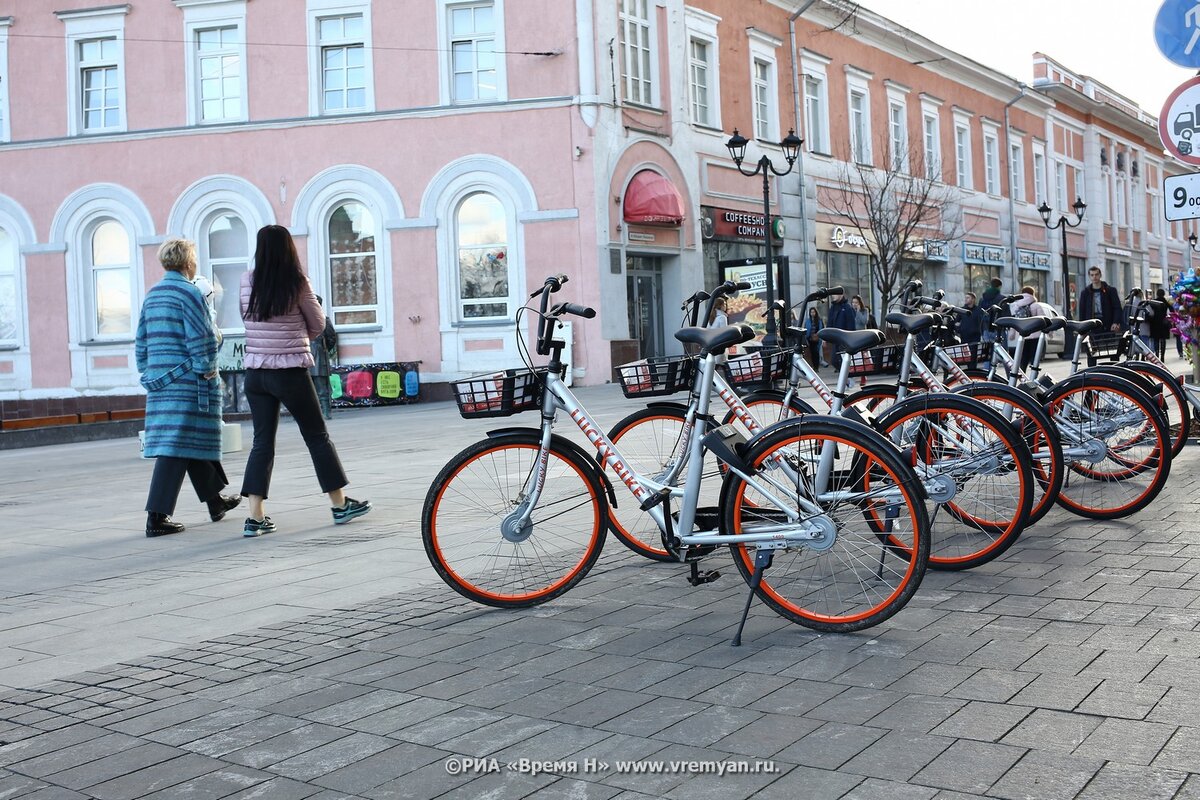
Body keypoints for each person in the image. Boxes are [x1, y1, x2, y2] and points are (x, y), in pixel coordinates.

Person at [239, 224, 372, 537]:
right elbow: (318, 324)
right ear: (288, 249)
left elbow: (244, 318)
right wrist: (297, 337)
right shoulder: (297, 282)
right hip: (289, 372)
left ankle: (255, 517)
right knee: (316, 437)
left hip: (256, 372)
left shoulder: (247, 280)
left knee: (262, 441)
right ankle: (340, 506)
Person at [136, 238, 241, 538]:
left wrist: (147, 370)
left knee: (186, 438)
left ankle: (215, 502)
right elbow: (204, 338)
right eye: (194, 257)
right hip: (187, 382)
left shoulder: (153, 294)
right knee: (174, 445)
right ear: (188, 262)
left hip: (161, 381)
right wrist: (207, 368)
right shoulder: (189, 293)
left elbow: (141, 339)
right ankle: (156, 516)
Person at [1077, 265, 1122, 366]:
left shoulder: (1110, 290)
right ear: (1089, 276)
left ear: (1100, 275)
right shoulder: (1085, 292)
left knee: (1113, 351)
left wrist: (1116, 322)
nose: (1094, 277)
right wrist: (1082, 328)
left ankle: (1115, 371)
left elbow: (1117, 307)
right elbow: (1082, 311)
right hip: (1092, 326)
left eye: (1096, 274)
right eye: (1092, 275)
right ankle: (1092, 374)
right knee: (1091, 353)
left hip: (1108, 325)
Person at [1008, 286, 1056, 370]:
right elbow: (1044, 320)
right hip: (1036, 336)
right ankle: (1033, 377)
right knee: (1035, 358)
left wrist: (1011, 335)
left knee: (1023, 359)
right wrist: (1050, 332)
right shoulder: (1036, 305)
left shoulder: (1017, 306)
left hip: (1023, 336)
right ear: (1032, 294)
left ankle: (1022, 377)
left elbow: (1014, 321)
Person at [309, 296, 338, 421]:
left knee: (322, 389)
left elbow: (332, 339)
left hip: (319, 358)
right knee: (306, 390)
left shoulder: (325, 321)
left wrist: (322, 349)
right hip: (305, 359)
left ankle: (326, 412)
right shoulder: (302, 321)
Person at [825, 289, 857, 369]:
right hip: (836, 339)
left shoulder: (847, 307)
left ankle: (848, 378)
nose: (833, 296)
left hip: (845, 339)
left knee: (843, 360)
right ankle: (846, 378)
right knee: (834, 361)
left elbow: (851, 325)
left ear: (841, 294)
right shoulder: (832, 308)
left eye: (835, 294)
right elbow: (829, 323)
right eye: (832, 294)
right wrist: (826, 337)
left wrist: (850, 339)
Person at [1150, 288, 1172, 360]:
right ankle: (1162, 356)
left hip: (1155, 323)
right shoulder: (1165, 302)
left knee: (1156, 340)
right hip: (1164, 323)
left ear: (1157, 294)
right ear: (1163, 294)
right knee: (1163, 340)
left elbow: (1150, 311)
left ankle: (1157, 355)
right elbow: (1172, 310)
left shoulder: (1154, 302)